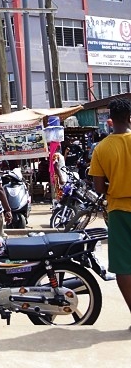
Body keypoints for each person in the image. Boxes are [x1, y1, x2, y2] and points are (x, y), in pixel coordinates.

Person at [89, 98, 131, 321]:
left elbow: (97, 186)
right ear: (130, 118)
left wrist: (115, 184)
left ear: (110, 121)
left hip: (118, 210)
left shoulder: (102, 148)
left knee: (124, 265)